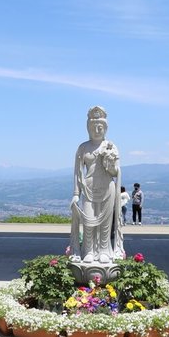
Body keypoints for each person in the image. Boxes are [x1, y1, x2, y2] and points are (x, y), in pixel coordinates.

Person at [69, 106, 124, 264]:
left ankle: (104, 251)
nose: (97, 130)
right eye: (94, 127)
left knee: (105, 224)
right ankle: (89, 251)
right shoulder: (83, 147)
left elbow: (115, 173)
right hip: (88, 189)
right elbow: (77, 172)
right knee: (88, 222)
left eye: (100, 127)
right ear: (88, 128)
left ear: (105, 128)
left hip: (107, 188)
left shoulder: (111, 147)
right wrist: (76, 193)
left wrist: (110, 162)